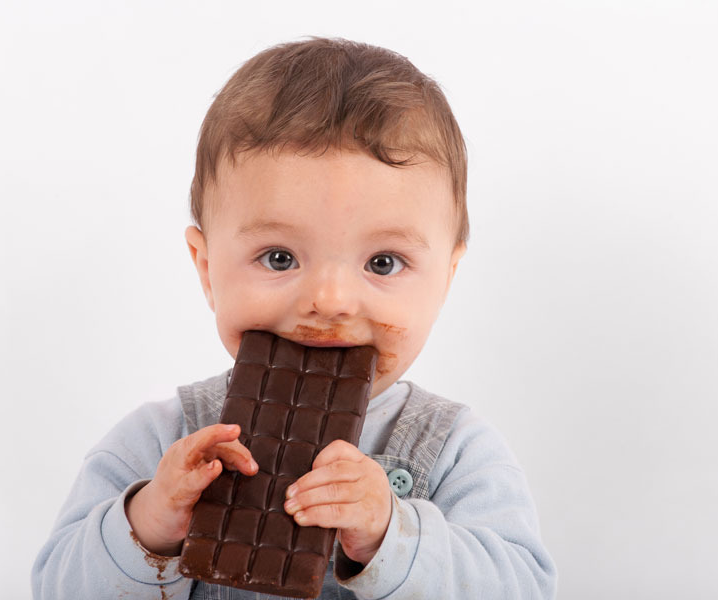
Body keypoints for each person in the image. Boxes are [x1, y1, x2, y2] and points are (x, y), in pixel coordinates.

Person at [32, 37, 557, 599]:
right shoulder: (158, 441)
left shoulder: (457, 452)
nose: (328, 301)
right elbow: (56, 587)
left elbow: (523, 589)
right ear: (208, 270)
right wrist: (149, 526)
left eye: (383, 262)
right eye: (279, 258)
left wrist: (391, 536)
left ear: (446, 278)